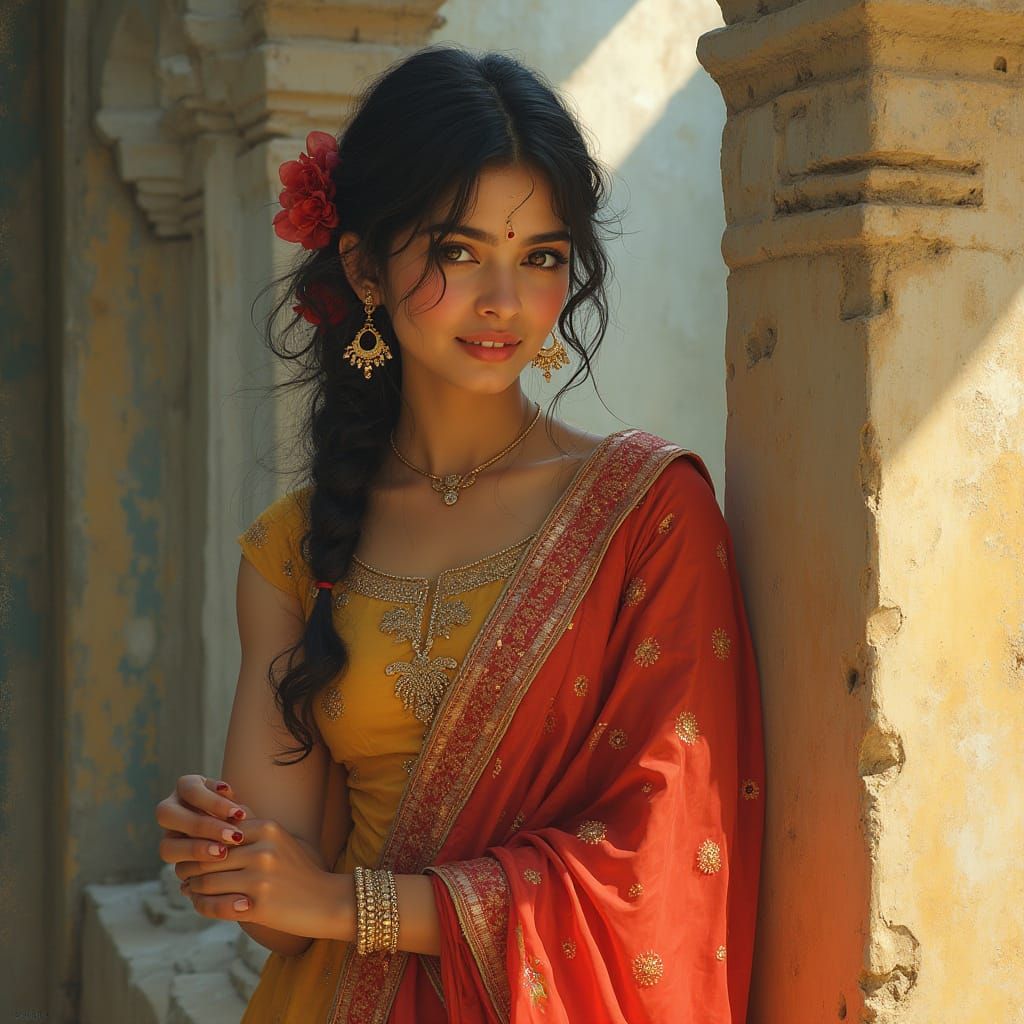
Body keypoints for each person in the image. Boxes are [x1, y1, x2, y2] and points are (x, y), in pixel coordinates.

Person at [154, 44, 764, 1023]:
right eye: (456, 251)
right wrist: (223, 857)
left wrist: (352, 904)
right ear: (362, 264)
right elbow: (279, 916)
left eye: (540, 259)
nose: (502, 302)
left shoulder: (645, 517)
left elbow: (663, 865)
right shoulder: (293, 550)